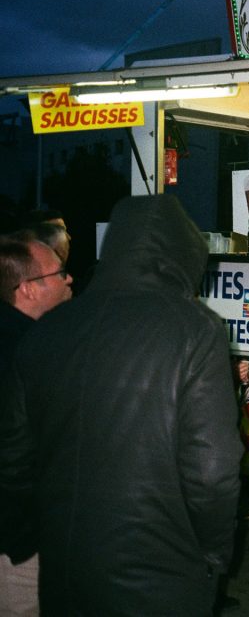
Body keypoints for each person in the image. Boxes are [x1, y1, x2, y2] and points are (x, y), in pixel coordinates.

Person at [0, 195, 243, 615]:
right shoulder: (194, 329)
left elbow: (14, 458)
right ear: (183, 256)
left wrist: (29, 541)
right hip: (160, 570)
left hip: (65, 563)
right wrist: (213, 556)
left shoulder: (47, 329)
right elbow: (213, 471)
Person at [0, 237, 72, 616]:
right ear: (27, 288)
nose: (69, 278)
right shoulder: (28, 352)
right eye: (58, 273)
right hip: (20, 544)